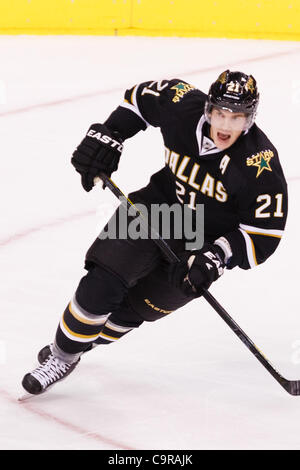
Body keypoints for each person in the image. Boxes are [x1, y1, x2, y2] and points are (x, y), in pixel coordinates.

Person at [21, 70, 288, 396]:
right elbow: (139, 99)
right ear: (208, 108)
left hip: (201, 242)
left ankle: (77, 345)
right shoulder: (182, 105)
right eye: (220, 113)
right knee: (102, 281)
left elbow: (263, 232)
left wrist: (217, 256)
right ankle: (62, 356)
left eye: (237, 117)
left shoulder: (259, 165)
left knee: (133, 311)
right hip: (157, 207)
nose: (225, 125)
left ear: (250, 119)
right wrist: (111, 134)